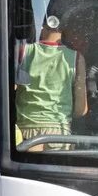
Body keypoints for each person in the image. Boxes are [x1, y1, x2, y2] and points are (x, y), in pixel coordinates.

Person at [16, 14, 89, 147]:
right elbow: (81, 109)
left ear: (42, 27)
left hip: (25, 131)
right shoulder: (77, 58)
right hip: (59, 133)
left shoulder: (24, 51)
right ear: (65, 30)